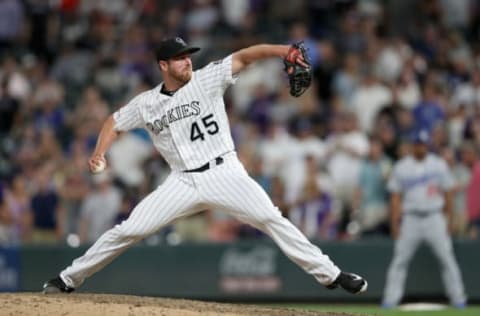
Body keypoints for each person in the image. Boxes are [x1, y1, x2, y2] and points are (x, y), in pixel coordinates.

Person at [42, 37, 367, 294]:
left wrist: (284, 50)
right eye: (181, 57)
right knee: (129, 229)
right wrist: (99, 152)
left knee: (271, 217)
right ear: (163, 65)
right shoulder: (147, 103)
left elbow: (245, 55)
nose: (188, 61)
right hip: (181, 182)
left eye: (189, 55)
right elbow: (113, 121)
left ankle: (332, 275)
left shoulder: (206, 79)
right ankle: (68, 279)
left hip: (224, 172)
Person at [381, 130, 466, 308]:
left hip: (434, 217)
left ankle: (458, 299)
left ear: (427, 145)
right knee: (400, 260)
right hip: (411, 218)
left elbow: (448, 193)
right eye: (418, 144)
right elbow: (395, 197)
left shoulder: (438, 164)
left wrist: (449, 219)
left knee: (447, 259)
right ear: (413, 145)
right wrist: (395, 223)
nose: (421, 147)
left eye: (423, 144)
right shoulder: (402, 166)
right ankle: (390, 300)